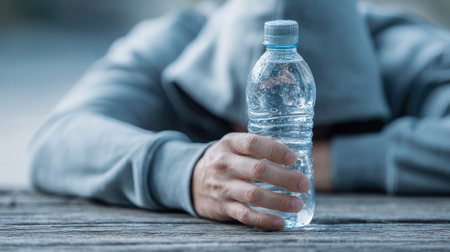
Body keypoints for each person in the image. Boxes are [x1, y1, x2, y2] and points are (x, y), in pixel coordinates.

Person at [29, 0, 450, 230]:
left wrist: (325, 162)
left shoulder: (408, 50)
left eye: (329, 123)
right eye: (245, 114)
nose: (276, 149)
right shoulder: (172, 45)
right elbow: (57, 140)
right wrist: (189, 171)